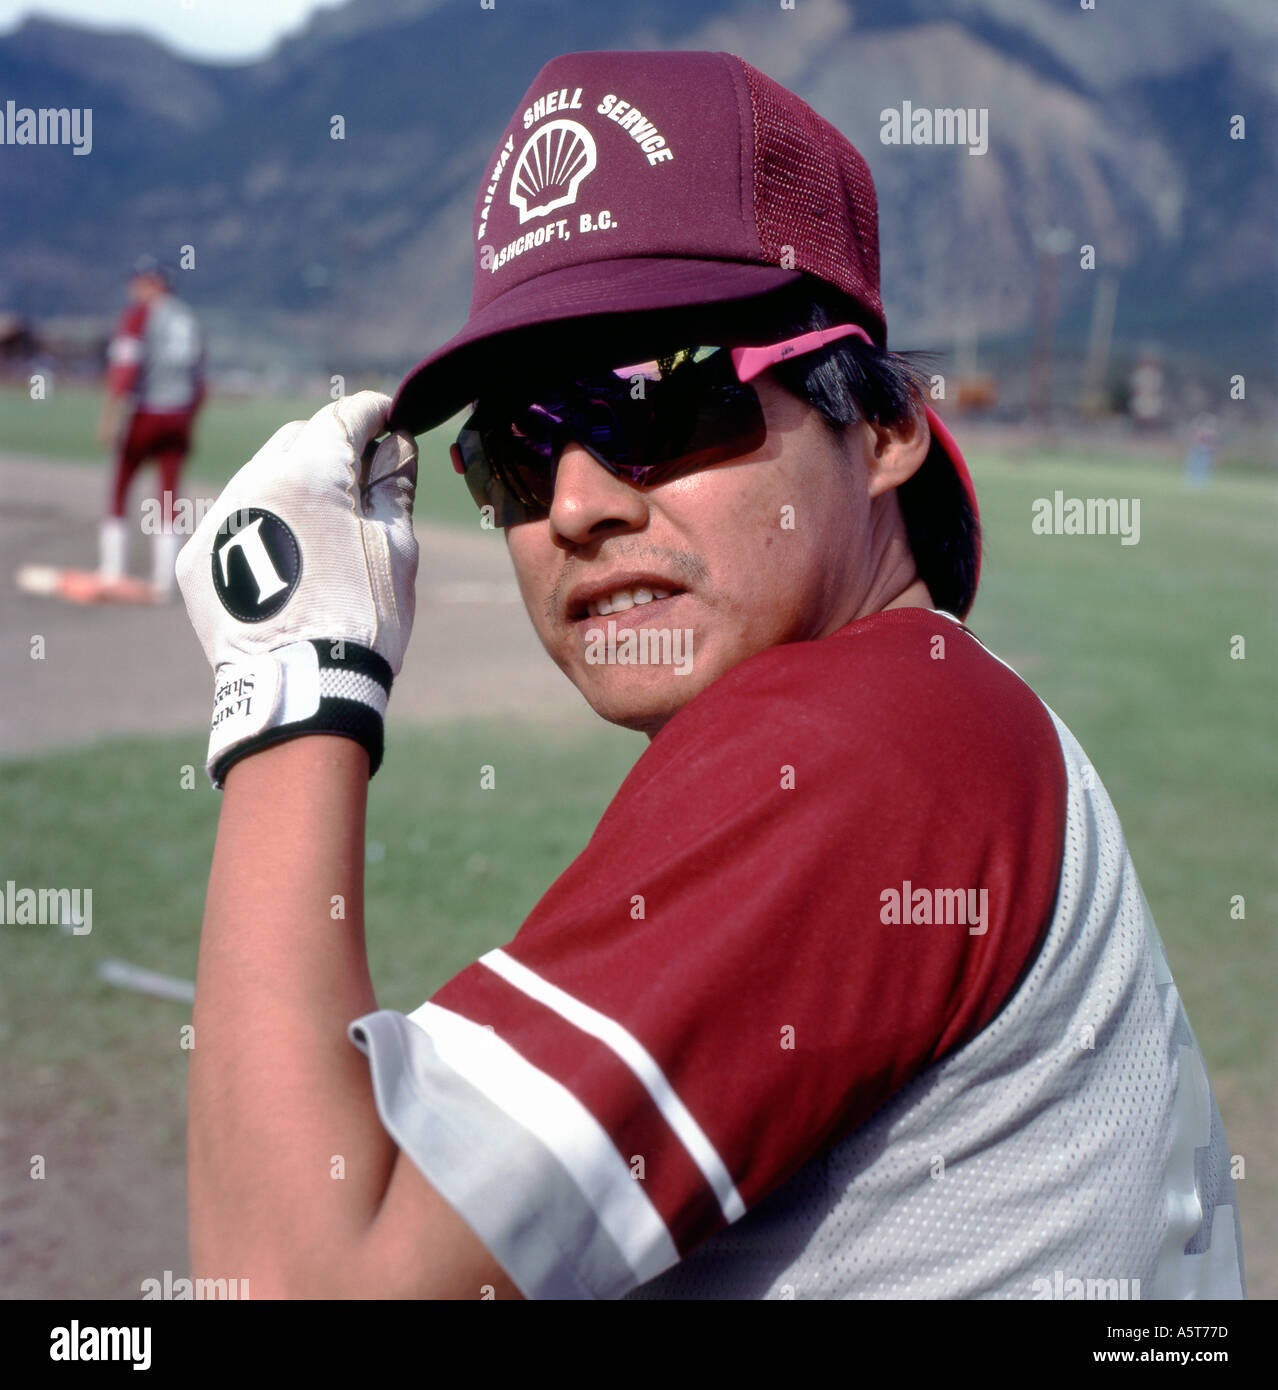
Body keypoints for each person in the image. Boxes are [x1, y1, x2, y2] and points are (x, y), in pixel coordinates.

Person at [174, 50, 1245, 1300]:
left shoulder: (865, 740)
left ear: (883, 428)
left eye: (654, 401)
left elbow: (296, 1284)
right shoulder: (936, 709)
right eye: (517, 449)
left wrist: (297, 689)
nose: (575, 503)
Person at [98, 255, 205, 600]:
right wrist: (189, 419)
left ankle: (113, 570)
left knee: (119, 486)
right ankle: (164, 581)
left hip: (146, 412)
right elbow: (200, 380)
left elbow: (125, 369)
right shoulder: (188, 318)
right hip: (180, 414)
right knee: (169, 495)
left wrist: (111, 415)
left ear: (150, 283)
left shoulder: (139, 317)